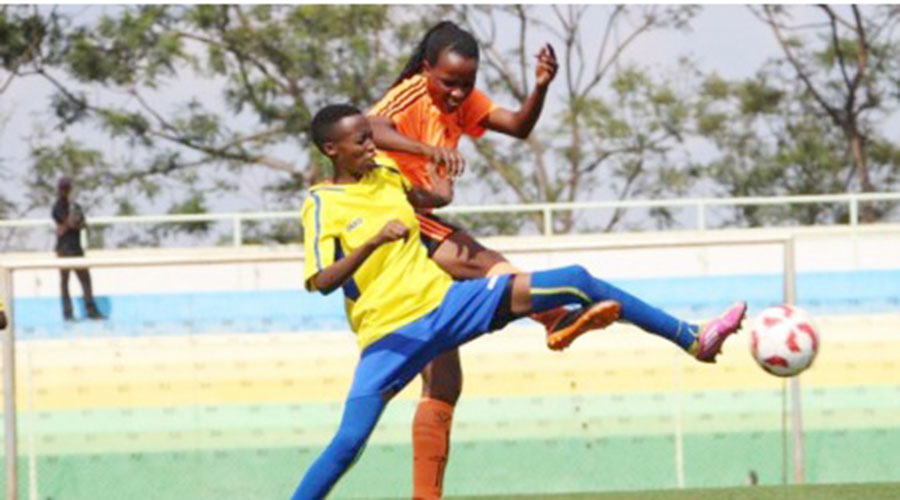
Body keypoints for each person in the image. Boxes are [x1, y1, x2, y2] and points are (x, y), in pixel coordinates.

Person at [292, 104, 747, 499]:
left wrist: (438, 186)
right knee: (349, 443)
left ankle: (692, 338)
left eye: (371, 137)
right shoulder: (322, 204)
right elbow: (320, 281)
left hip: (448, 303)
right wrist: (371, 243)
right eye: (360, 141)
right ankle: (563, 323)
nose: (372, 146)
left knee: (576, 278)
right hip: (392, 335)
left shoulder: (387, 174)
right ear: (332, 150)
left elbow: (418, 202)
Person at [367, 22, 599, 497]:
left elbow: (517, 126)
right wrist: (425, 150)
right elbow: (370, 126)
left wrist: (540, 87)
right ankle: (551, 314)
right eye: (448, 82)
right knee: (479, 258)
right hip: (398, 218)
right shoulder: (411, 93)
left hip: (421, 218)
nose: (456, 93)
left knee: (445, 381)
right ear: (426, 68)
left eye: (465, 84)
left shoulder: (463, 100)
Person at [52, 176, 102, 320]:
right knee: (65, 282)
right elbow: (67, 224)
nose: (66, 191)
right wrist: (70, 221)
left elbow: (81, 224)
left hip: (76, 248)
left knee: (85, 279)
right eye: (64, 188)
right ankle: (68, 313)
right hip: (63, 249)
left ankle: (91, 310)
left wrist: (69, 223)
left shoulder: (76, 206)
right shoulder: (58, 207)